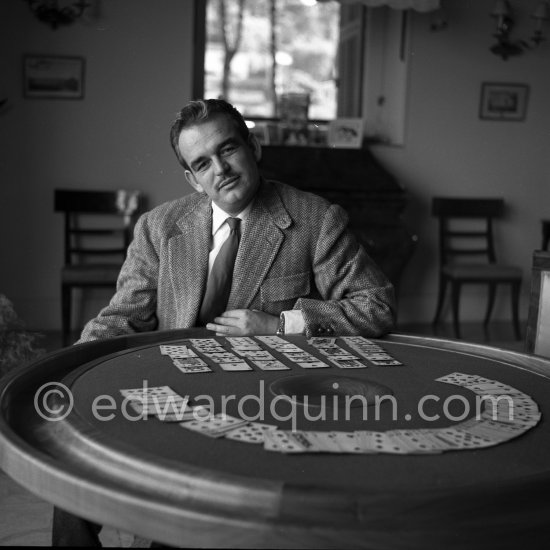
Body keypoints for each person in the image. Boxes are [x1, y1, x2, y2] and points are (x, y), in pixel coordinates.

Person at [52, 98, 395, 546]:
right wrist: (67, 375)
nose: (221, 168)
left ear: (253, 146)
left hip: (259, 402)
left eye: (228, 149)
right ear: (192, 179)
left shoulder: (315, 220)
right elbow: (122, 318)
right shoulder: (159, 228)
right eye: (202, 163)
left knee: (171, 526)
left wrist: (279, 325)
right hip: (170, 388)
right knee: (71, 466)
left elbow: (376, 304)